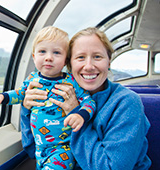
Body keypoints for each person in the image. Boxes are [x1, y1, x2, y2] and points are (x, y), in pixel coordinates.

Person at [21, 27, 151, 170]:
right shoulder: (59, 95)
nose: (88, 66)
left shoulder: (126, 103)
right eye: (80, 57)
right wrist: (27, 109)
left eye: (97, 57)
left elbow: (110, 167)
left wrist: (76, 113)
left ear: (108, 62)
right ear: (69, 64)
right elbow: (33, 150)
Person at [0, 26, 96, 170]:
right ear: (34, 57)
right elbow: (20, 93)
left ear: (65, 60)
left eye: (56, 52)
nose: (49, 57)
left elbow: (89, 102)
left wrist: (80, 115)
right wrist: (3, 96)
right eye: (42, 51)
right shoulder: (32, 79)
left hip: (63, 147)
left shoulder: (71, 82)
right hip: (40, 147)